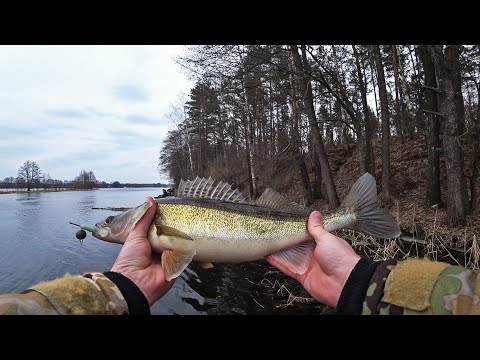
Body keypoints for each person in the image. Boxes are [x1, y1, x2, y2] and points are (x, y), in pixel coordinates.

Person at [0, 197, 478, 315]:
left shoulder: (160, 221)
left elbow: (181, 250)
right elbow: (182, 252)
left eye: (110, 226)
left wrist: (125, 286)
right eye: (104, 228)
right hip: (345, 276)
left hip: (300, 239)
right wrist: (361, 284)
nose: (105, 231)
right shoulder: (161, 232)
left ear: (135, 222)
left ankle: (349, 214)